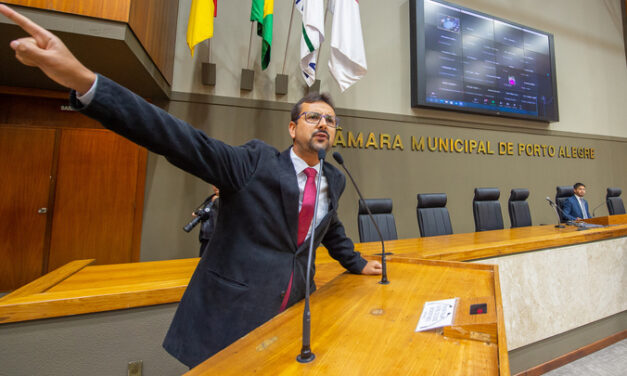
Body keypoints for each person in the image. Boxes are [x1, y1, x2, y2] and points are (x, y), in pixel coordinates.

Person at [0, 4, 382, 368]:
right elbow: (178, 139)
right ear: (292, 127)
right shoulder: (254, 163)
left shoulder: (332, 177)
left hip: (296, 312)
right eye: (313, 116)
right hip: (234, 315)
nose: (323, 125)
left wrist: (357, 263)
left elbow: (328, 229)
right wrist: (85, 82)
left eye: (330, 121)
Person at [196, 185, 219, 257]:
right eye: (214, 185)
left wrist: (216, 200)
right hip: (205, 237)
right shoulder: (209, 199)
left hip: (218, 239)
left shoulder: (229, 199)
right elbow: (208, 214)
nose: (215, 187)